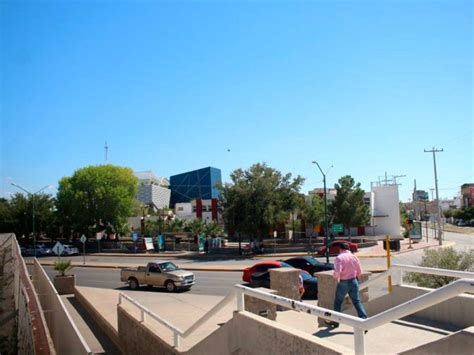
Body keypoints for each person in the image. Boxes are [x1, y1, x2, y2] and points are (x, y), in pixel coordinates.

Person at [327, 243, 367, 328]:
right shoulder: (354, 256)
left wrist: (335, 277)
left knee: (338, 302)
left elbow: (338, 271)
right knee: (356, 301)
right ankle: (364, 320)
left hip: (344, 282)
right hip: (353, 281)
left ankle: (336, 321)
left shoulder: (339, 258)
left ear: (340, 249)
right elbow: (359, 271)